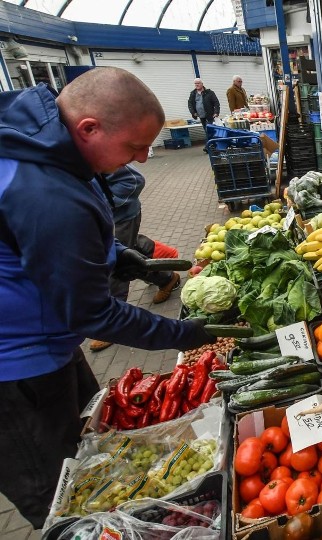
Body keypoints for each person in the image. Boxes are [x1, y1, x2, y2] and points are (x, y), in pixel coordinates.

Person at [0, 67, 216, 529]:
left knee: (90, 453)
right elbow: (94, 313)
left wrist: (116, 255)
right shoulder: (45, 191)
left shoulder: (44, 148)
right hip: (15, 376)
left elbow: (42, 243)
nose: (141, 159)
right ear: (89, 128)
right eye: (134, 147)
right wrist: (182, 333)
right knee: (57, 498)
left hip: (45, 348)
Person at [88, 164, 183, 353]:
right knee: (130, 254)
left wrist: (103, 206)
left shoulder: (86, 150)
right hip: (101, 221)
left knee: (114, 267)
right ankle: (166, 277)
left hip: (119, 217)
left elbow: (133, 180)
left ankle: (113, 324)